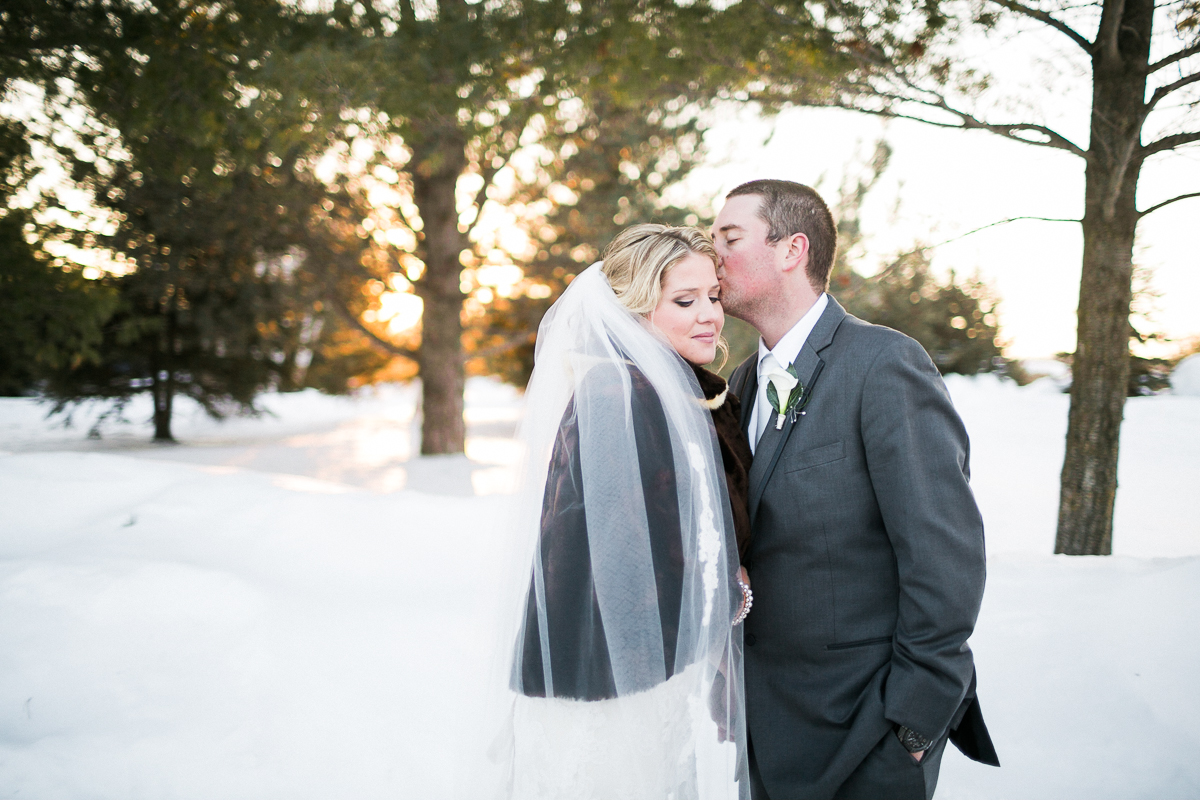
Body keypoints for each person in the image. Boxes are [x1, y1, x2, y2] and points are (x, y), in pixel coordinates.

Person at [711, 180, 1000, 800]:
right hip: (767, 726)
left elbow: (944, 552)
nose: (712, 255)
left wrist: (915, 719)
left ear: (792, 250)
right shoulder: (739, 382)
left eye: (728, 238)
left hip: (868, 731)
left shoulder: (883, 364)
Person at [478, 224, 755, 800]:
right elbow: (619, 555)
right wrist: (731, 594)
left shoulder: (670, 388)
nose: (709, 314)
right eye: (684, 301)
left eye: (712, 296)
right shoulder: (617, 393)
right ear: (632, 311)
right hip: (608, 686)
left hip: (652, 675)